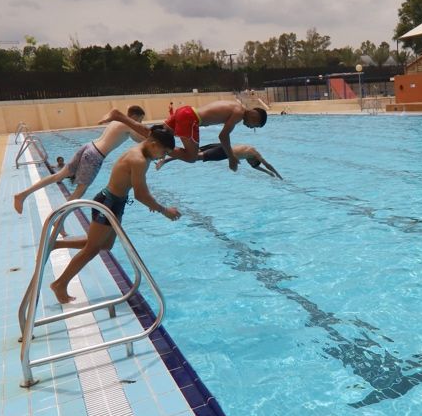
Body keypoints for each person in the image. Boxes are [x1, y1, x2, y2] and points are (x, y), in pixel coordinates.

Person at [49, 128, 181, 303]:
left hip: (115, 203)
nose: (162, 158)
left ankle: (55, 244)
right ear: (154, 144)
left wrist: (152, 203)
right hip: (107, 204)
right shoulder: (139, 159)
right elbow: (140, 195)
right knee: (91, 249)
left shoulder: (143, 151)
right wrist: (164, 211)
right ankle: (59, 284)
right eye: (163, 153)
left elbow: (140, 192)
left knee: (105, 245)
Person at [13, 105, 148, 214]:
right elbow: (140, 138)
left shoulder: (116, 121)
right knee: (80, 190)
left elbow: (136, 138)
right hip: (95, 155)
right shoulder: (128, 125)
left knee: (58, 176)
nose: (140, 123)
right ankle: (59, 219)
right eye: (140, 120)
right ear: (134, 117)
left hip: (88, 146)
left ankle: (22, 194)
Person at [103, 99, 267, 171]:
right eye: (255, 126)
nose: (250, 127)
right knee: (191, 157)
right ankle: (165, 149)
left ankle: (119, 116)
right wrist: (231, 157)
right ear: (255, 117)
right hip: (191, 119)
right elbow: (223, 137)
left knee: (152, 135)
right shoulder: (239, 113)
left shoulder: (235, 105)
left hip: (186, 111)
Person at [198, 142, 282, 179]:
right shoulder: (253, 152)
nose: (249, 163)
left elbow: (256, 167)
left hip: (222, 146)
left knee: (197, 151)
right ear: (254, 159)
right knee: (195, 157)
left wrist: (268, 173)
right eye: (251, 163)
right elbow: (267, 164)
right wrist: (277, 174)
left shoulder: (248, 155)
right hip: (222, 152)